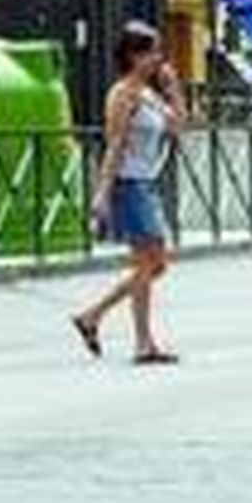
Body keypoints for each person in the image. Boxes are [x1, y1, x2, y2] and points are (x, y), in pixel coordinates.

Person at [71, 22, 184, 365]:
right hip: (128, 183)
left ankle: (113, 327)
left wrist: (173, 87)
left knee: (150, 264)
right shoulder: (123, 94)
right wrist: (102, 193)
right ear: (133, 56)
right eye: (151, 52)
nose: (158, 58)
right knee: (154, 262)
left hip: (145, 182)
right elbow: (115, 144)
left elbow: (178, 126)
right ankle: (119, 328)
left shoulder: (149, 93)